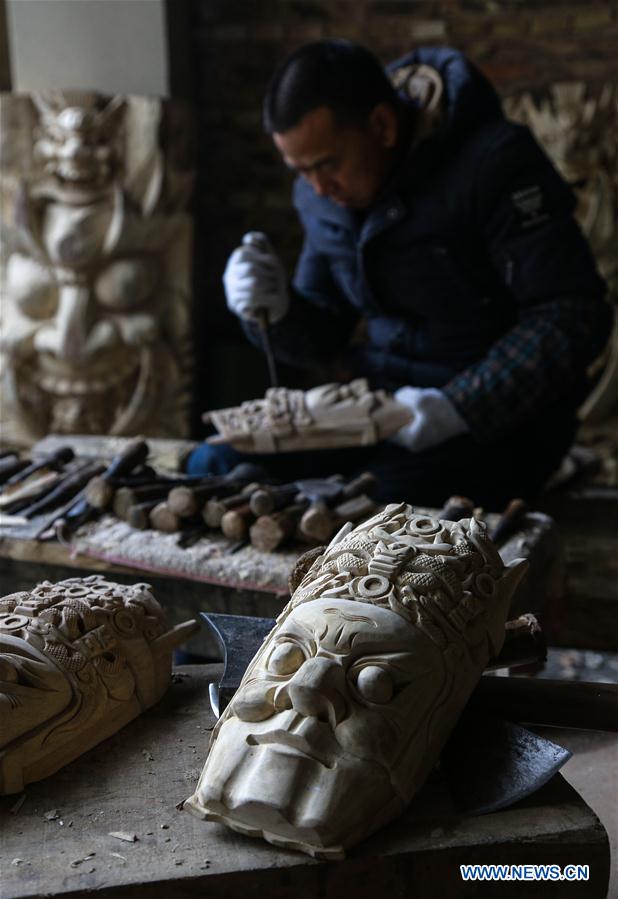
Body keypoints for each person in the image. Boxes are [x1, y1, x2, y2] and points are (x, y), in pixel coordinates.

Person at [189, 40, 612, 509]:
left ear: (382, 126)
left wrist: (459, 406)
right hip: (377, 410)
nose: (317, 188)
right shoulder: (324, 195)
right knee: (211, 466)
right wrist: (272, 308)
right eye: (300, 170)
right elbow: (321, 336)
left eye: (326, 165)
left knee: (374, 513)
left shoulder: (495, 163)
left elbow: (572, 314)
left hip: (497, 424)